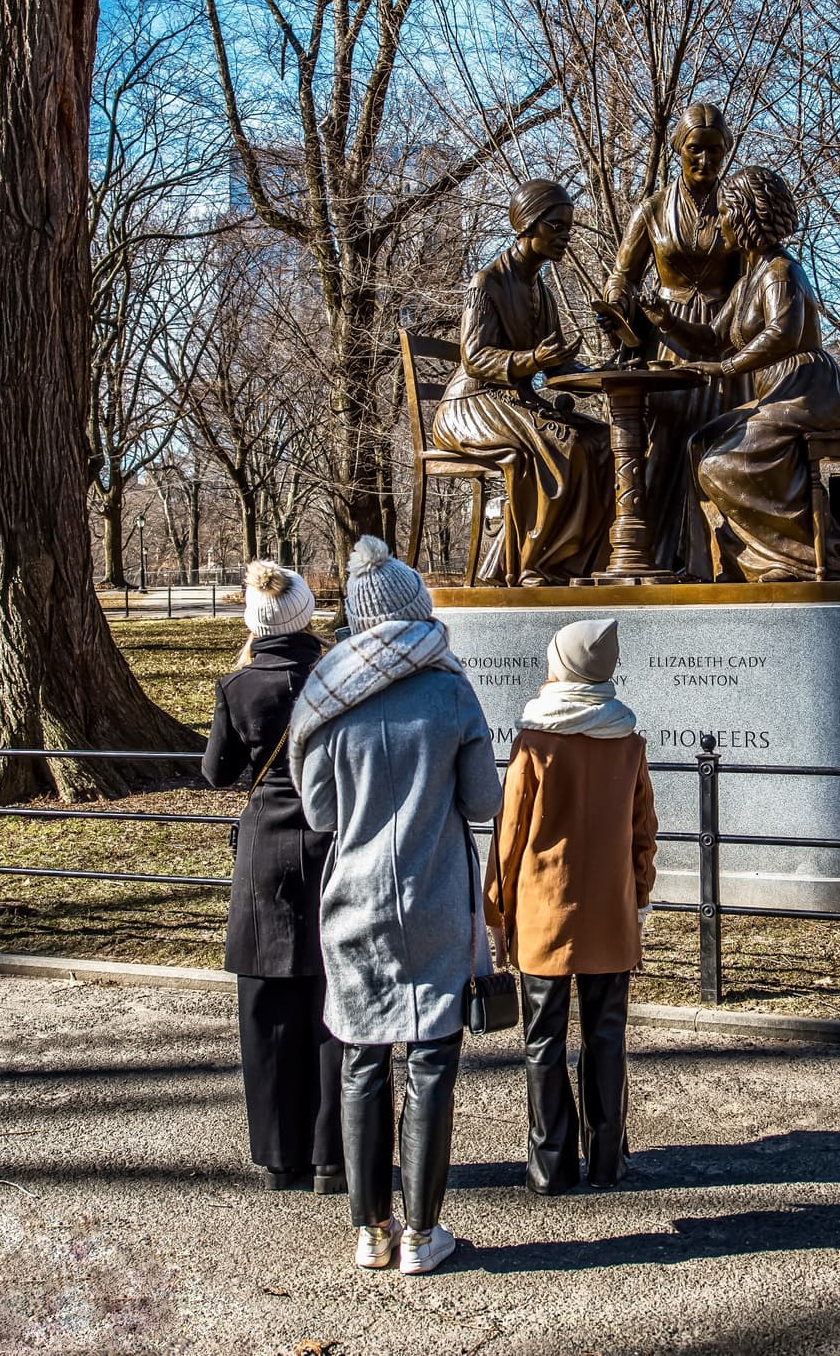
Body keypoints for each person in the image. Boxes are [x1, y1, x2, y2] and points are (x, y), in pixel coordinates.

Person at [288, 536, 501, 1275]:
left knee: (362, 1059)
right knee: (432, 1062)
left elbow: (319, 813)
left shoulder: (327, 699)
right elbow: (483, 802)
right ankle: (421, 1234)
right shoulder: (450, 692)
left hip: (353, 897)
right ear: (416, 611)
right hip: (434, 894)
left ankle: (370, 1230)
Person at [487, 618, 657, 1195]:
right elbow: (643, 833)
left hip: (544, 913)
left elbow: (509, 837)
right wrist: (639, 898)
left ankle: (549, 1164)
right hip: (611, 912)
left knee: (543, 1041)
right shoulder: (628, 741)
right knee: (607, 1038)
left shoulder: (535, 742)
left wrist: (496, 911)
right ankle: (608, 1159)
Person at [201, 561, 343, 1194]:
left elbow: (217, 773)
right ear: (306, 613)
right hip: (329, 838)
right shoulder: (335, 679)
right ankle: (332, 1154)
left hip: (265, 848)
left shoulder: (239, 685)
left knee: (265, 1009)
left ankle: (281, 1156)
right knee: (333, 1005)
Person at [646, 165, 840, 581]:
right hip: (780, 392)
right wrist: (665, 320)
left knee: (721, 464)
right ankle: (712, 565)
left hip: (808, 392)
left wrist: (726, 368)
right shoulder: (747, 282)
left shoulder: (780, 271)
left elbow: (783, 333)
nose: (719, 221)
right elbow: (713, 338)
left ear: (745, 216)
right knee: (699, 443)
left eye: (724, 212)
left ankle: (800, 559)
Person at [432, 179, 613, 586]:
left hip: (512, 401)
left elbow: (557, 368)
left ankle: (576, 565)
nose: (565, 236)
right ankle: (534, 565)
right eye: (556, 226)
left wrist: (608, 375)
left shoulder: (541, 293)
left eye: (569, 228)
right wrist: (531, 360)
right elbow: (475, 358)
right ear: (527, 224)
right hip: (469, 405)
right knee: (563, 444)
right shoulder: (487, 282)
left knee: (601, 441)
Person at [602, 103, 747, 578]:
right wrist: (617, 302)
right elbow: (623, 275)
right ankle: (660, 555)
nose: (706, 160)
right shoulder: (652, 209)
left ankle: (718, 559)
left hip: (721, 335)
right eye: (695, 149)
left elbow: (751, 275)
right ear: (677, 150)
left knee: (720, 437)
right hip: (667, 337)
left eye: (716, 151)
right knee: (665, 441)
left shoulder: (736, 207)